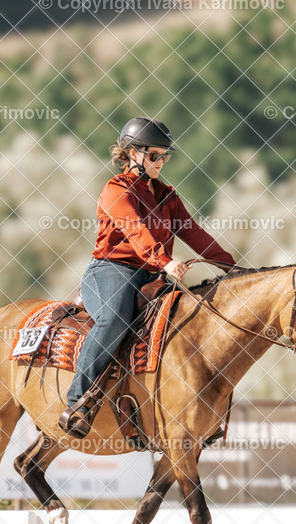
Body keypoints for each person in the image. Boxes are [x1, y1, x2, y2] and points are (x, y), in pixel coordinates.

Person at [59, 117, 237, 437]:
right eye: (155, 155)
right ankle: (77, 402)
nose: (161, 162)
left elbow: (193, 233)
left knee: (190, 322)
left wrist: (231, 267)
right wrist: (165, 261)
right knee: (114, 319)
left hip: (153, 275)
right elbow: (136, 230)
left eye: (165, 156)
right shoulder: (116, 189)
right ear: (133, 154)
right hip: (112, 270)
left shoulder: (167, 195)